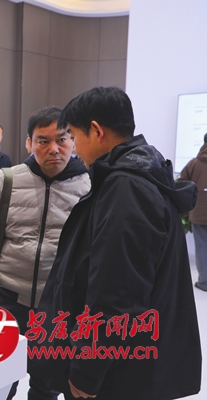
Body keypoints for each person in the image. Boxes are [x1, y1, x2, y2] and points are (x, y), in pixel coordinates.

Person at [29, 87, 201, 400]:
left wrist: (87, 371)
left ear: (96, 131)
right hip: (130, 359)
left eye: (74, 136)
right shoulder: (137, 175)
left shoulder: (127, 188)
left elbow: (117, 295)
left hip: (120, 371)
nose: (74, 148)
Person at [0, 106, 90, 399]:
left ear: (73, 141)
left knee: (47, 387)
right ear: (29, 143)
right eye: (43, 141)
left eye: (62, 140)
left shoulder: (89, 187)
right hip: (8, 300)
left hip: (59, 310)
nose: (54, 149)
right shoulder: (6, 180)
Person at [180, 132, 207, 291]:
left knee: (202, 247)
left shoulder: (194, 163)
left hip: (199, 212)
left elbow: (180, 182)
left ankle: (204, 282)